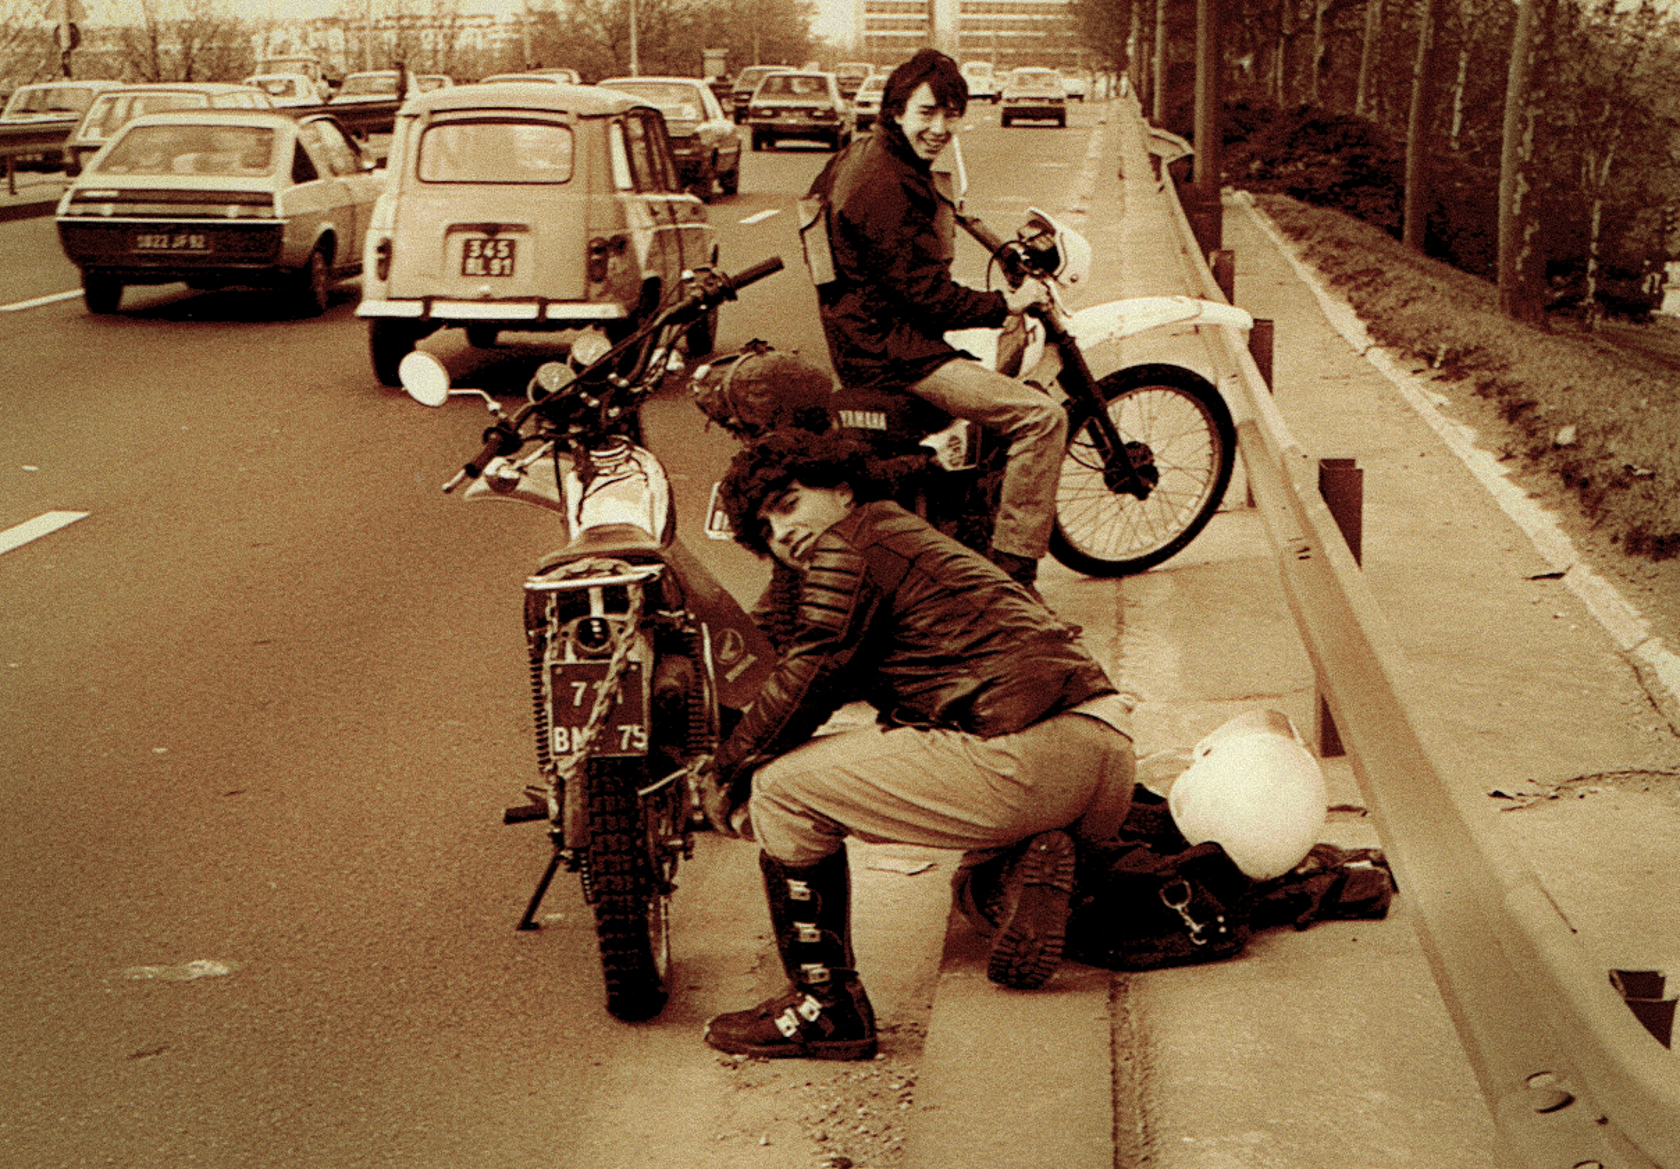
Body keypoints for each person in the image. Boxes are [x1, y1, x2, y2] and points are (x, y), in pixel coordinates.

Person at [695, 428, 1136, 1061]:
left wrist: (724, 769)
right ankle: (1026, 867)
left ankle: (826, 1008)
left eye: (789, 504)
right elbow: (781, 646)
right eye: (765, 530)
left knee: (781, 788)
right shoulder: (895, 534)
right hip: (1104, 749)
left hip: (1024, 756)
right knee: (973, 892)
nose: (783, 532)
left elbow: (811, 675)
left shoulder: (849, 546)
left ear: (842, 488)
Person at [807, 48, 1065, 588]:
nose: (940, 128)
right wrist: (1006, 303)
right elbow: (928, 296)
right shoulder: (886, 183)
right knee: (1042, 418)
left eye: (951, 115)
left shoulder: (866, 156)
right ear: (897, 109)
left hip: (863, 337)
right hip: (896, 355)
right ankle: (1015, 573)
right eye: (927, 113)